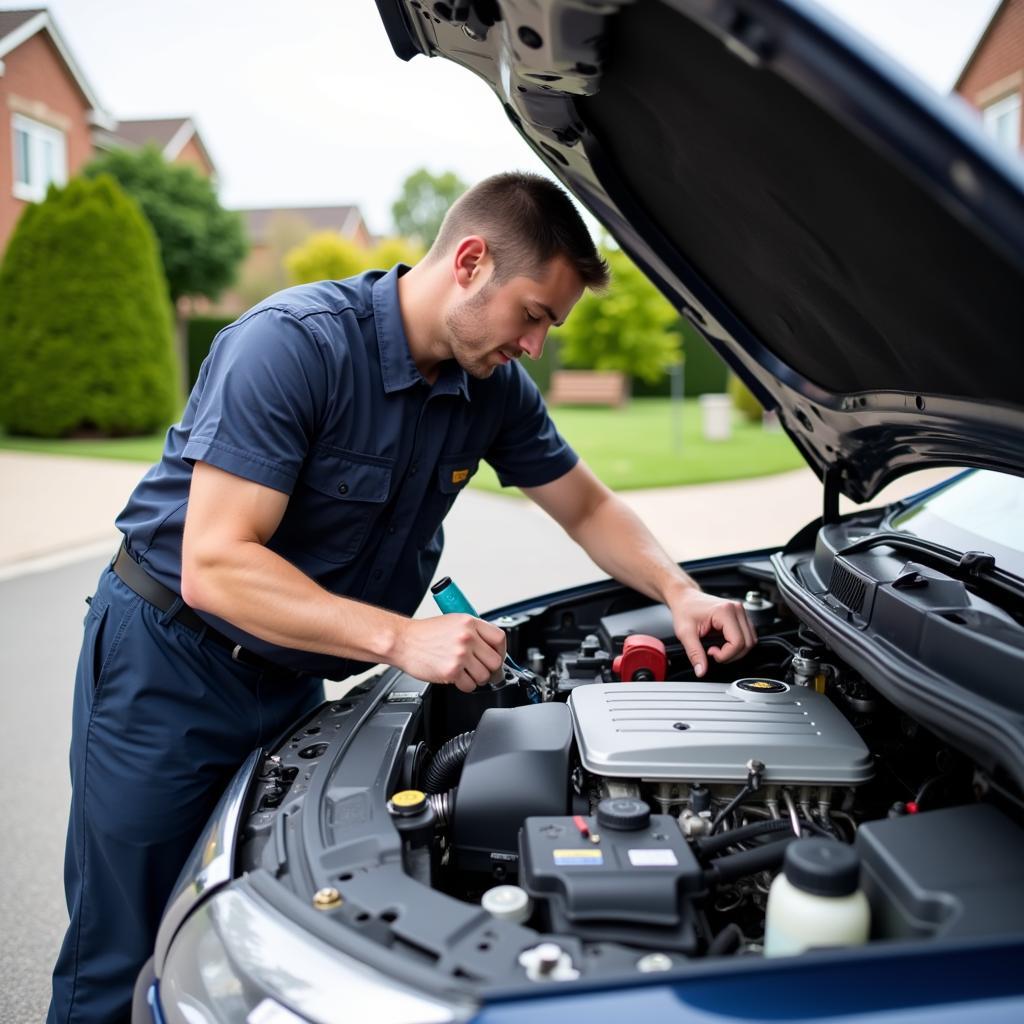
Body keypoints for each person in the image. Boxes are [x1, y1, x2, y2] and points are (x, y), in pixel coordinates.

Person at [48, 171, 756, 1022]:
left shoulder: (489, 390)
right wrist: (400, 639)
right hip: (170, 664)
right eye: (533, 314)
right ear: (469, 261)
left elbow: (587, 503)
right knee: (119, 954)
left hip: (292, 679)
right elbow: (216, 564)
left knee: (258, 940)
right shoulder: (291, 347)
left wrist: (680, 593)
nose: (536, 345)